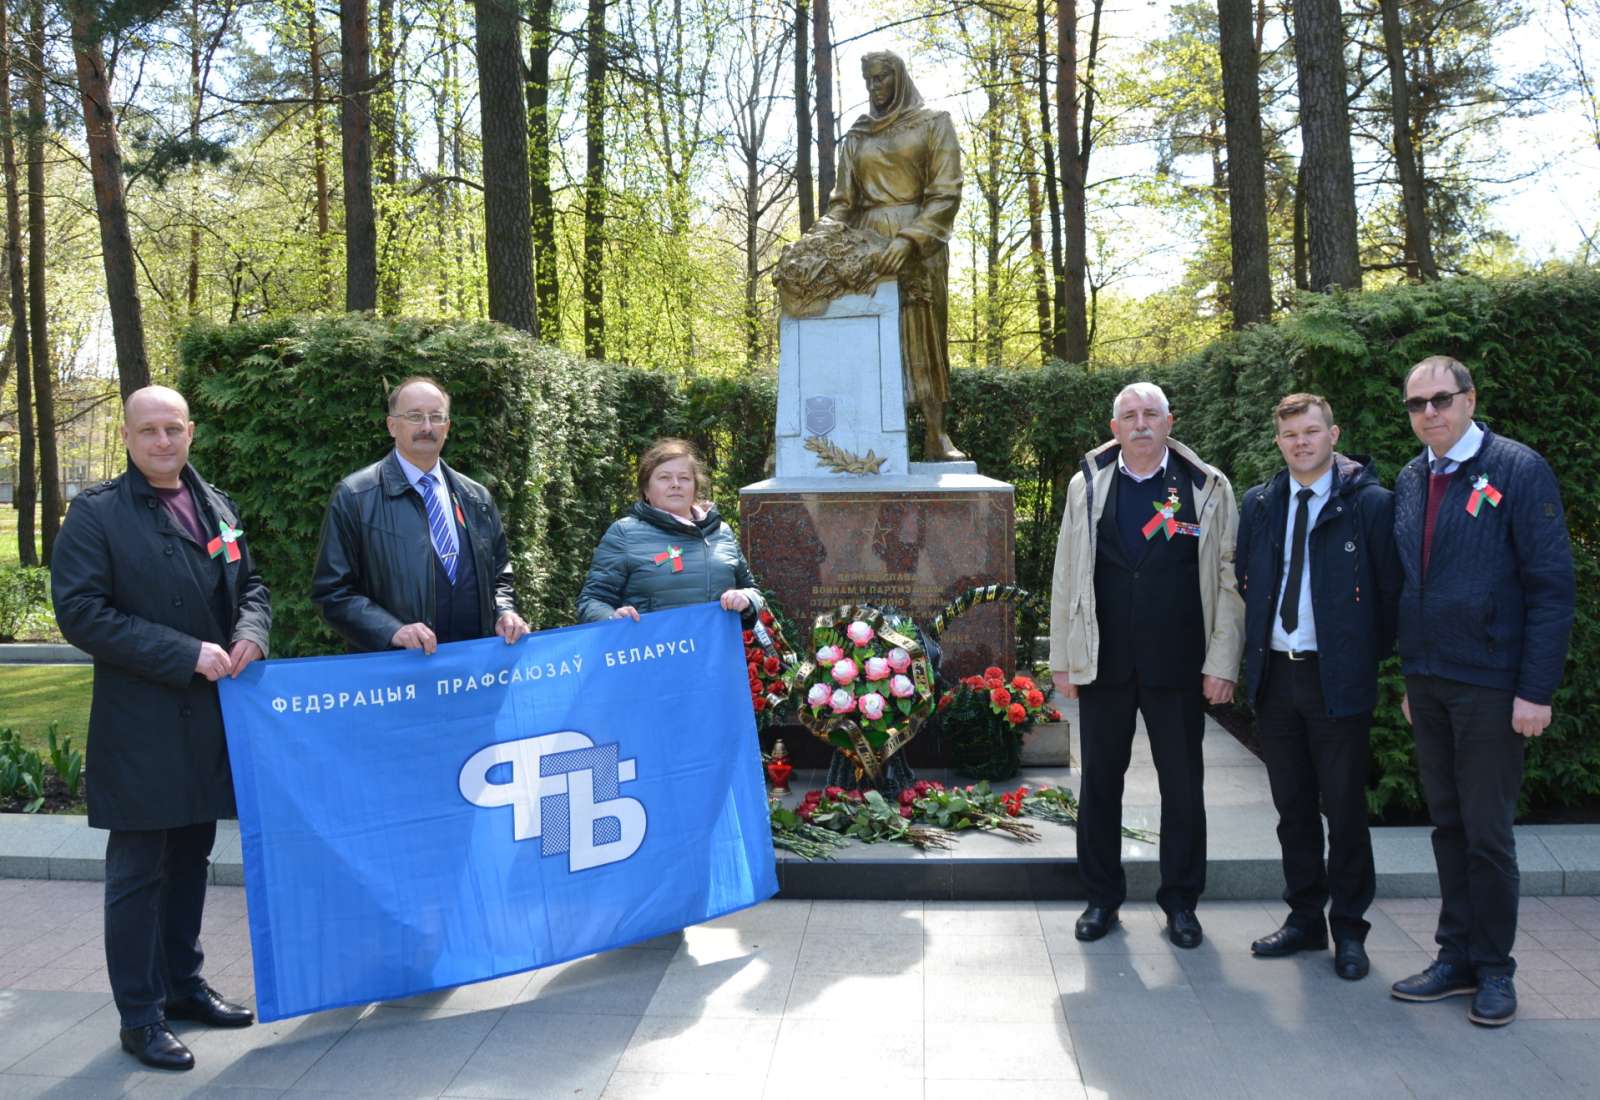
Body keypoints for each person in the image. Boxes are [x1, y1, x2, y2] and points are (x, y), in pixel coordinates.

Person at [51, 386, 271, 1071]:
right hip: (141, 726)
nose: (162, 441)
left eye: (173, 428)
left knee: (190, 864)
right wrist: (184, 654)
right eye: (148, 430)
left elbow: (254, 586)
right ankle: (139, 1017)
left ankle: (183, 986)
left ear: (191, 433)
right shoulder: (96, 515)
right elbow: (82, 613)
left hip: (207, 723)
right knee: (139, 873)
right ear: (126, 437)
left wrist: (252, 633)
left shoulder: (217, 504)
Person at [1389, 356, 1574, 1027]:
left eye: (1441, 399)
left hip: (1494, 685)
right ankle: (1456, 956)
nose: (1429, 413)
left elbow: (1552, 588)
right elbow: (1414, 583)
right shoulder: (1414, 478)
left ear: (1469, 399)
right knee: (1448, 825)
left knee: (1488, 834)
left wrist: (1536, 690)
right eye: (1416, 404)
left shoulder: (1518, 470)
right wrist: (1413, 674)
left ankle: (1495, 968)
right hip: (1430, 681)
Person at [1048, 382, 1245, 948]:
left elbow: (1231, 580)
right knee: (1100, 787)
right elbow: (1066, 574)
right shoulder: (1086, 485)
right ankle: (1101, 899)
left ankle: (1181, 903)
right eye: (1129, 416)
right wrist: (1063, 659)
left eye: (1150, 414)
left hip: (1179, 664)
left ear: (1168, 422)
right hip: (1105, 664)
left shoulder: (1206, 487)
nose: (1139, 424)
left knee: (1183, 789)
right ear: (1114, 428)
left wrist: (1222, 661)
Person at [1236, 393, 1402, 981]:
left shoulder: (1372, 506)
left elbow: (1390, 596)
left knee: (1346, 811)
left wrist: (1359, 657)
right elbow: (1247, 580)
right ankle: (1304, 918)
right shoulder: (1258, 504)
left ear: (1334, 434)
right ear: (1278, 442)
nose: (1301, 442)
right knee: (1293, 810)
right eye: (1290, 435)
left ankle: (1350, 931)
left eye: (1311, 432)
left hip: (1338, 682)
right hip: (1277, 677)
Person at [312, 376, 528, 653]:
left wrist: (504, 612)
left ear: (447, 427)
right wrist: (392, 630)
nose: (427, 427)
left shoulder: (477, 498)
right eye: (415, 416)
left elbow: (500, 577)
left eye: (436, 417)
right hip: (400, 674)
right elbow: (332, 592)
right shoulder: (355, 496)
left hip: (475, 672)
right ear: (392, 426)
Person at [822, 50, 964, 460]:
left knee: (922, 336)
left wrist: (909, 240)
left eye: (881, 78)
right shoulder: (859, 134)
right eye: (868, 80)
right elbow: (842, 202)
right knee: (868, 342)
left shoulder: (934, 123)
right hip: (864, 245)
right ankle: (867, 437)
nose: (874, 87)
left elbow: (946, 191)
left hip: (918, 246)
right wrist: (818, 240)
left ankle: (936, 435)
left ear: (898, 77)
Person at [578, 438, 763, 625]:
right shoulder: (624, 533)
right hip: (654, 651)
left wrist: (746, 600)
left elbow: (752, 591)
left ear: (695, 488)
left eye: (684, 478)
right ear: (646, 490)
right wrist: (612, 618)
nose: (676, 484)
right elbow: (591, 601)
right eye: (664, 477)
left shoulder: (721, 532)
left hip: (715, 652)